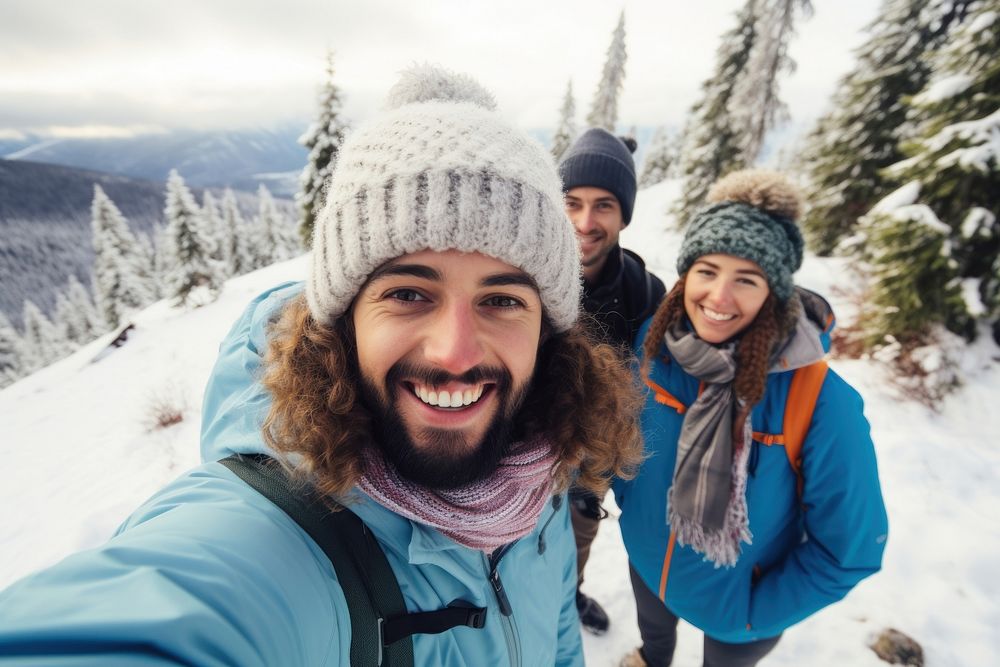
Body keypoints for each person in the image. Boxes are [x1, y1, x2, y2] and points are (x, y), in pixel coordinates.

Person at [0, 66, 645, 666]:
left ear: (546, 332)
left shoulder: (541, 465)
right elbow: (180, 609)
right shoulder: (283, 532)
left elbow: (557, 636)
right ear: (342, 325)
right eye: (407, 293)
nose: (455, 352)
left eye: (502, 299)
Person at [614, 170, 888, 667]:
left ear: (774, 294)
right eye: (707, 270)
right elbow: (627, 441)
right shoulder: (656, 347)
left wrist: (754, 614)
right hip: (649, 567)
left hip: (738, 613)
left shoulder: (820, 401)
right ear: (685, 276)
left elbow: (851, 549)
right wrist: (631, 512)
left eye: (746, 279)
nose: (719, 297)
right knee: (655, 642)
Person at [557, 127, 667, 635]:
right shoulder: (521, 277)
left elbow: (709, 329)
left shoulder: (645, 293)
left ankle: (568, 597)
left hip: (591, 462)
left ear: (624, 214)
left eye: (603, 205)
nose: (585, 222)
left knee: (578, 537)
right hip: (519, 450)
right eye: (572, 202)